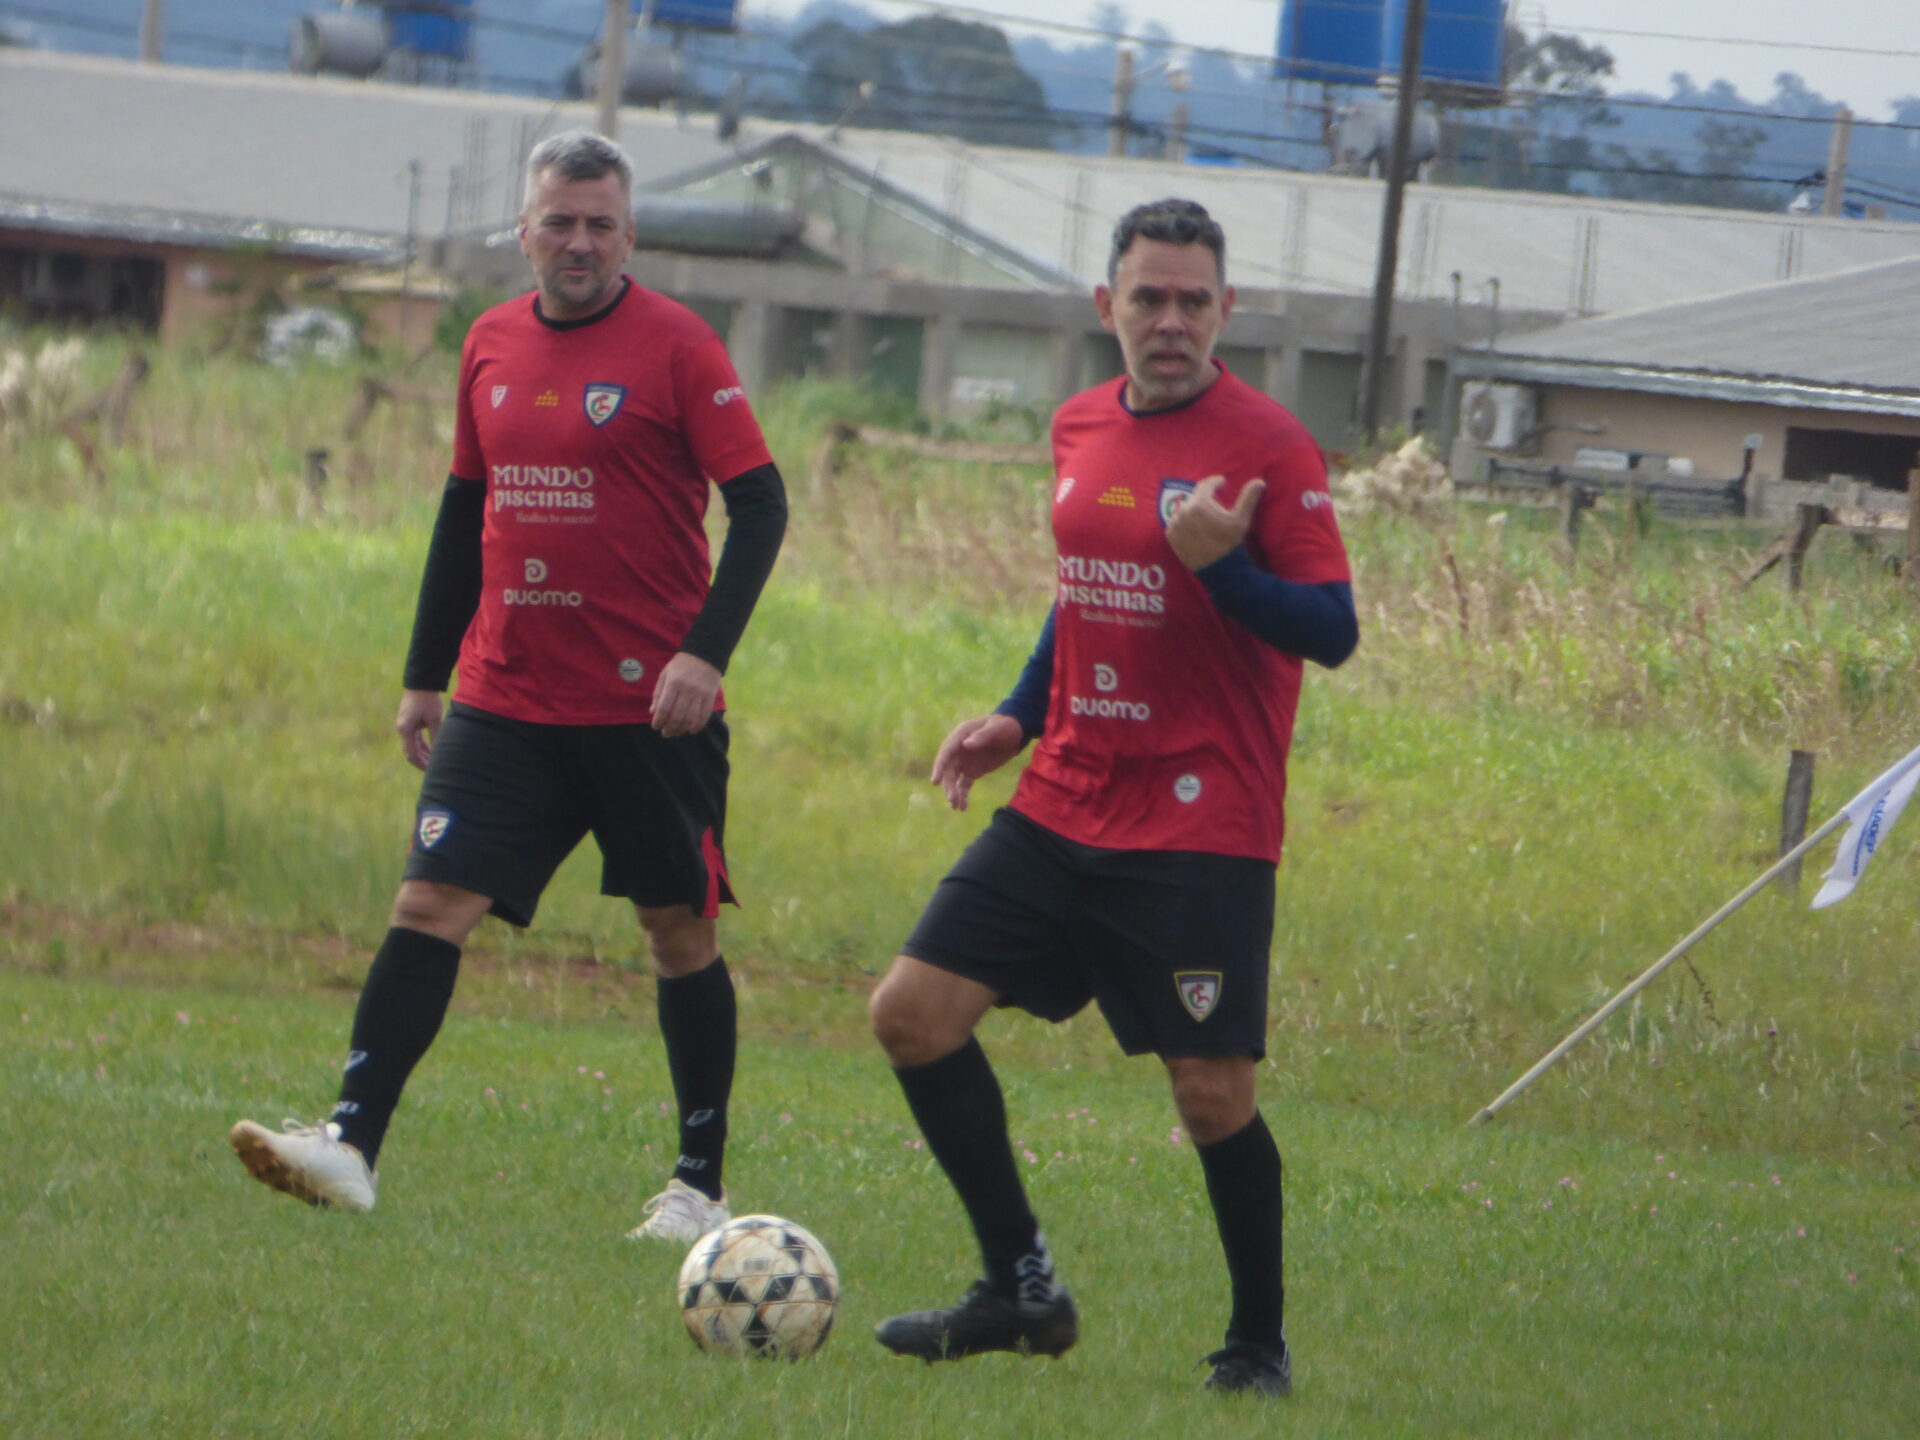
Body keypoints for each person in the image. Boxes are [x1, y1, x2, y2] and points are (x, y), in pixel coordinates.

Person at [229, 129, 788, 1243]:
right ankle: (350, 1144)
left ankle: (698, 1189)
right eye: (559, 222)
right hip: (505, 696)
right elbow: (462, 509)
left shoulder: (680, 346)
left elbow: (762, 506)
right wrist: (423, 675)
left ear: (628, 236)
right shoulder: (487, 341)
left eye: (600, 224)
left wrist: (704, 654)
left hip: (647, 708)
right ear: (524, 231)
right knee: (429, 903)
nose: (579, 242)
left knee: (677, 935)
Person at [867, 199, 1357, 1396]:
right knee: (912, 1015)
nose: (1171, 319)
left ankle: (1256, 1349)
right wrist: (1017, 714)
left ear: (1227, 310)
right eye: (1150, 297)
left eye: (1194, 300)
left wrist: (1224, 571)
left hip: (1202, 821)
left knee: (1210, 1093)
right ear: (1108, 306)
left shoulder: (1273, 448)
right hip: (1066, 796)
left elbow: (1333, 629)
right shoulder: (1078, 424)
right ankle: (1021, 1288)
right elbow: (1082, 590)